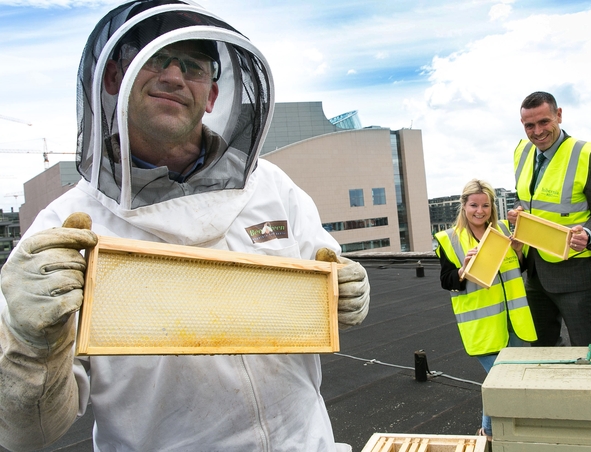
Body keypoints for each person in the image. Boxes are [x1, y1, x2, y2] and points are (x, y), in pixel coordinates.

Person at [0, 1, 369, 451]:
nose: (173, 77)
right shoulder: (65, 228)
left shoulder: (270, 186)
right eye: (153, 58)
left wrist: (345, 292)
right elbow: (26, 435)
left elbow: (326, 275)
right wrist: (28, 345)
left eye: (193, 67)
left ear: (211, 95)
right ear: (115, 77)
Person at [507, 91, 591, 347]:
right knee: (542, 348)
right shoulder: (522, 151)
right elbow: (528, 197)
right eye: (529, 125)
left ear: (559, 115)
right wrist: (518, 210)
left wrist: (587, 234)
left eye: (544, 122)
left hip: (577, 273)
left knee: (587, 349)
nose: (537, 131)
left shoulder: (588, 154)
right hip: (535, 272)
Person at [434, 179, 537, 444]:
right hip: (482, 325)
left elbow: (517, 269)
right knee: (501, 380)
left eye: (486, 205)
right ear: (464, 206)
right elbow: (447, 281)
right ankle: (488, 433)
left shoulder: (503, 230)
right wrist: (462, 269)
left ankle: (503, 430)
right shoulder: (449, 239)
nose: (480, 211)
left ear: (493, 207)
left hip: (514, 320)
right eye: (474, 205)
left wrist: (519, 250)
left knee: (513, 380)